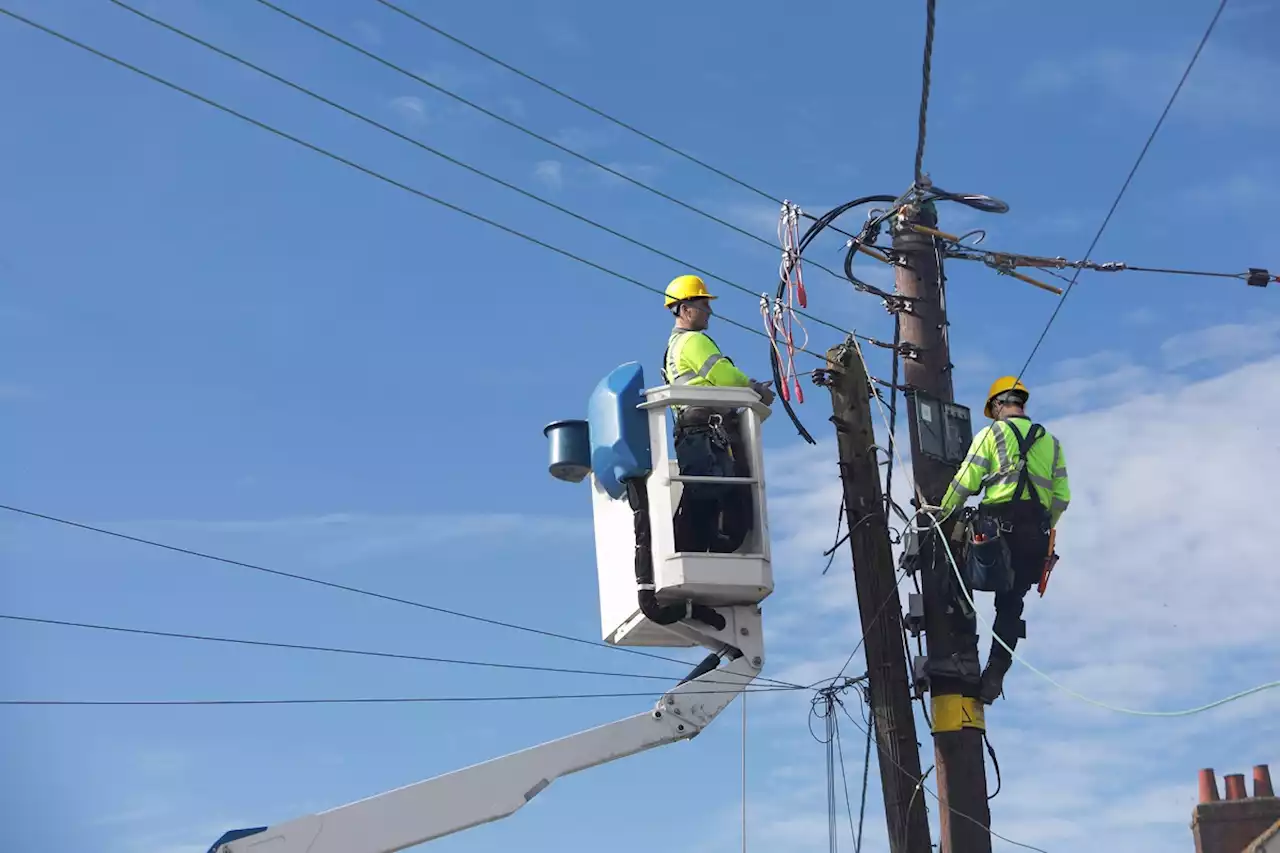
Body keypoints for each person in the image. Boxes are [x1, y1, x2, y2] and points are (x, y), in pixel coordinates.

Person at [937, 375, 1071, 704]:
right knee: (1010, 606)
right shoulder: (1051, 442)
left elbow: (965, 481)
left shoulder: (992, 434)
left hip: (995, 533)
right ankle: (995, 671)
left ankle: (960, 649)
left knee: (953, 571)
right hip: (1034, 539)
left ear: (997, 405)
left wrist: (941, 514)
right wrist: (1042, 525)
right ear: (1021, 403)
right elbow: (1062, 497)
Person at [660, 274, 774, 553]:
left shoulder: (673, 347)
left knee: (705, 497)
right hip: (709, 432)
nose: (709, 311)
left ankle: (694, 550)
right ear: (686, 309)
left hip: (694, 433)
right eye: (704, 305)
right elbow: (723, 375)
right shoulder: (694, 341)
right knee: (730, 499)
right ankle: (708, 549)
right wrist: (755, 389)